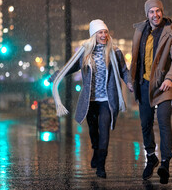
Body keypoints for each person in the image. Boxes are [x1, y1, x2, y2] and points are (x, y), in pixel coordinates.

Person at [51, 19, 133, 178]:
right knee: (93, 130)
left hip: (106, 100)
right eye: (100, 32)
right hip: (89, 101)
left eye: (105, 32)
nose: (103, 35)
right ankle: (95, 148)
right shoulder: (84, 52)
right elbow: (69, 67)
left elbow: (124, 70)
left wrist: (129, 83)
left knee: (104, 131)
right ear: (93, 35)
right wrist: (55, 76)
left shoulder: (114, 52)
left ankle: (101, 166)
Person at [129, 0, 172, 184]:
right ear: (147, 14)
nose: (155, 14)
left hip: (163, 85)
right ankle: (151, 156)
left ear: (162, 11)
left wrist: (170, 78)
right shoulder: (140, 31)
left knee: (163, 121)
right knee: (145, 123)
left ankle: (165, 163)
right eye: (151, 11)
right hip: (144, 84)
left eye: (158, 10)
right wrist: (131, 80)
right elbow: (135, 59)